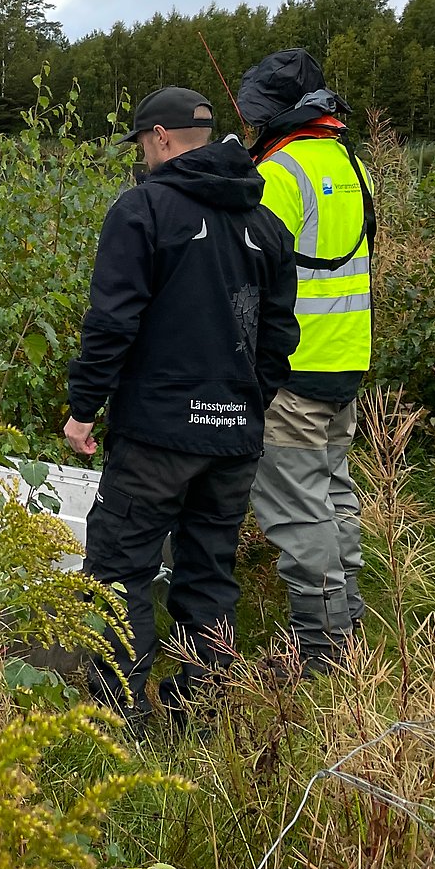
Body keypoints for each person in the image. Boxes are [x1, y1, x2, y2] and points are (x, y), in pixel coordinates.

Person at [64, 85, 299, 726]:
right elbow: (281, 337)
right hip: (233, 438)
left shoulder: (142, 210)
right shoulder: (266, 224)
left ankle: (118, 721)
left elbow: (112, 323)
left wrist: (83, 408)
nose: (142, 155)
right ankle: (201, 712)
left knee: (121, 570)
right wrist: (248, 403)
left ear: (162, 137)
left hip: (155, 437)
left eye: (142, 143)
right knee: (208, 570)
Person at [238, 49, 375, 671]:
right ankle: (351, 626)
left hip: (291, 372)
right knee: (335, 496)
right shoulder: (352, 167)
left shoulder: (279, 175)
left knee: (298, 512)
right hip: (345, 363)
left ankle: (322, 653)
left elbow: (249, 267)